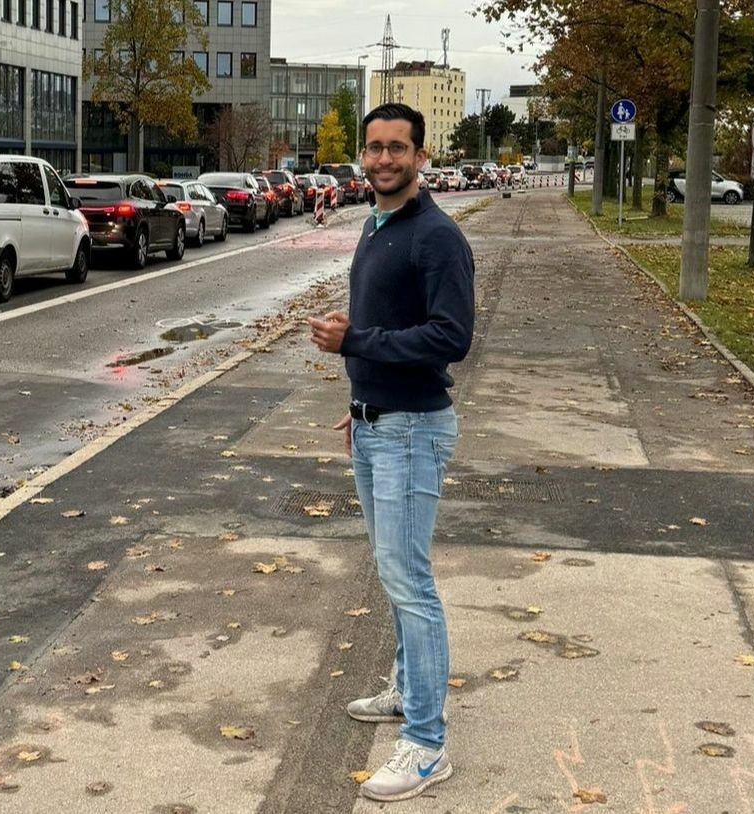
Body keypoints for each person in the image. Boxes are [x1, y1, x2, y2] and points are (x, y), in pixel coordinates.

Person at [308, 102, 474, 802]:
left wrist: (355, 342)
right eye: (373, 148)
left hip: (411, 430)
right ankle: (408, 691)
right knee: (393, 571)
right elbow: (392, 325)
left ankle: (428, 744)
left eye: (396, 148)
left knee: (410, 583)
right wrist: (361, 399)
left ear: (420, 156)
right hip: (377, 423)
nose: (382, 159)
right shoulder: (377, 225)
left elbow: (451, 337)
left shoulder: (435, 236)